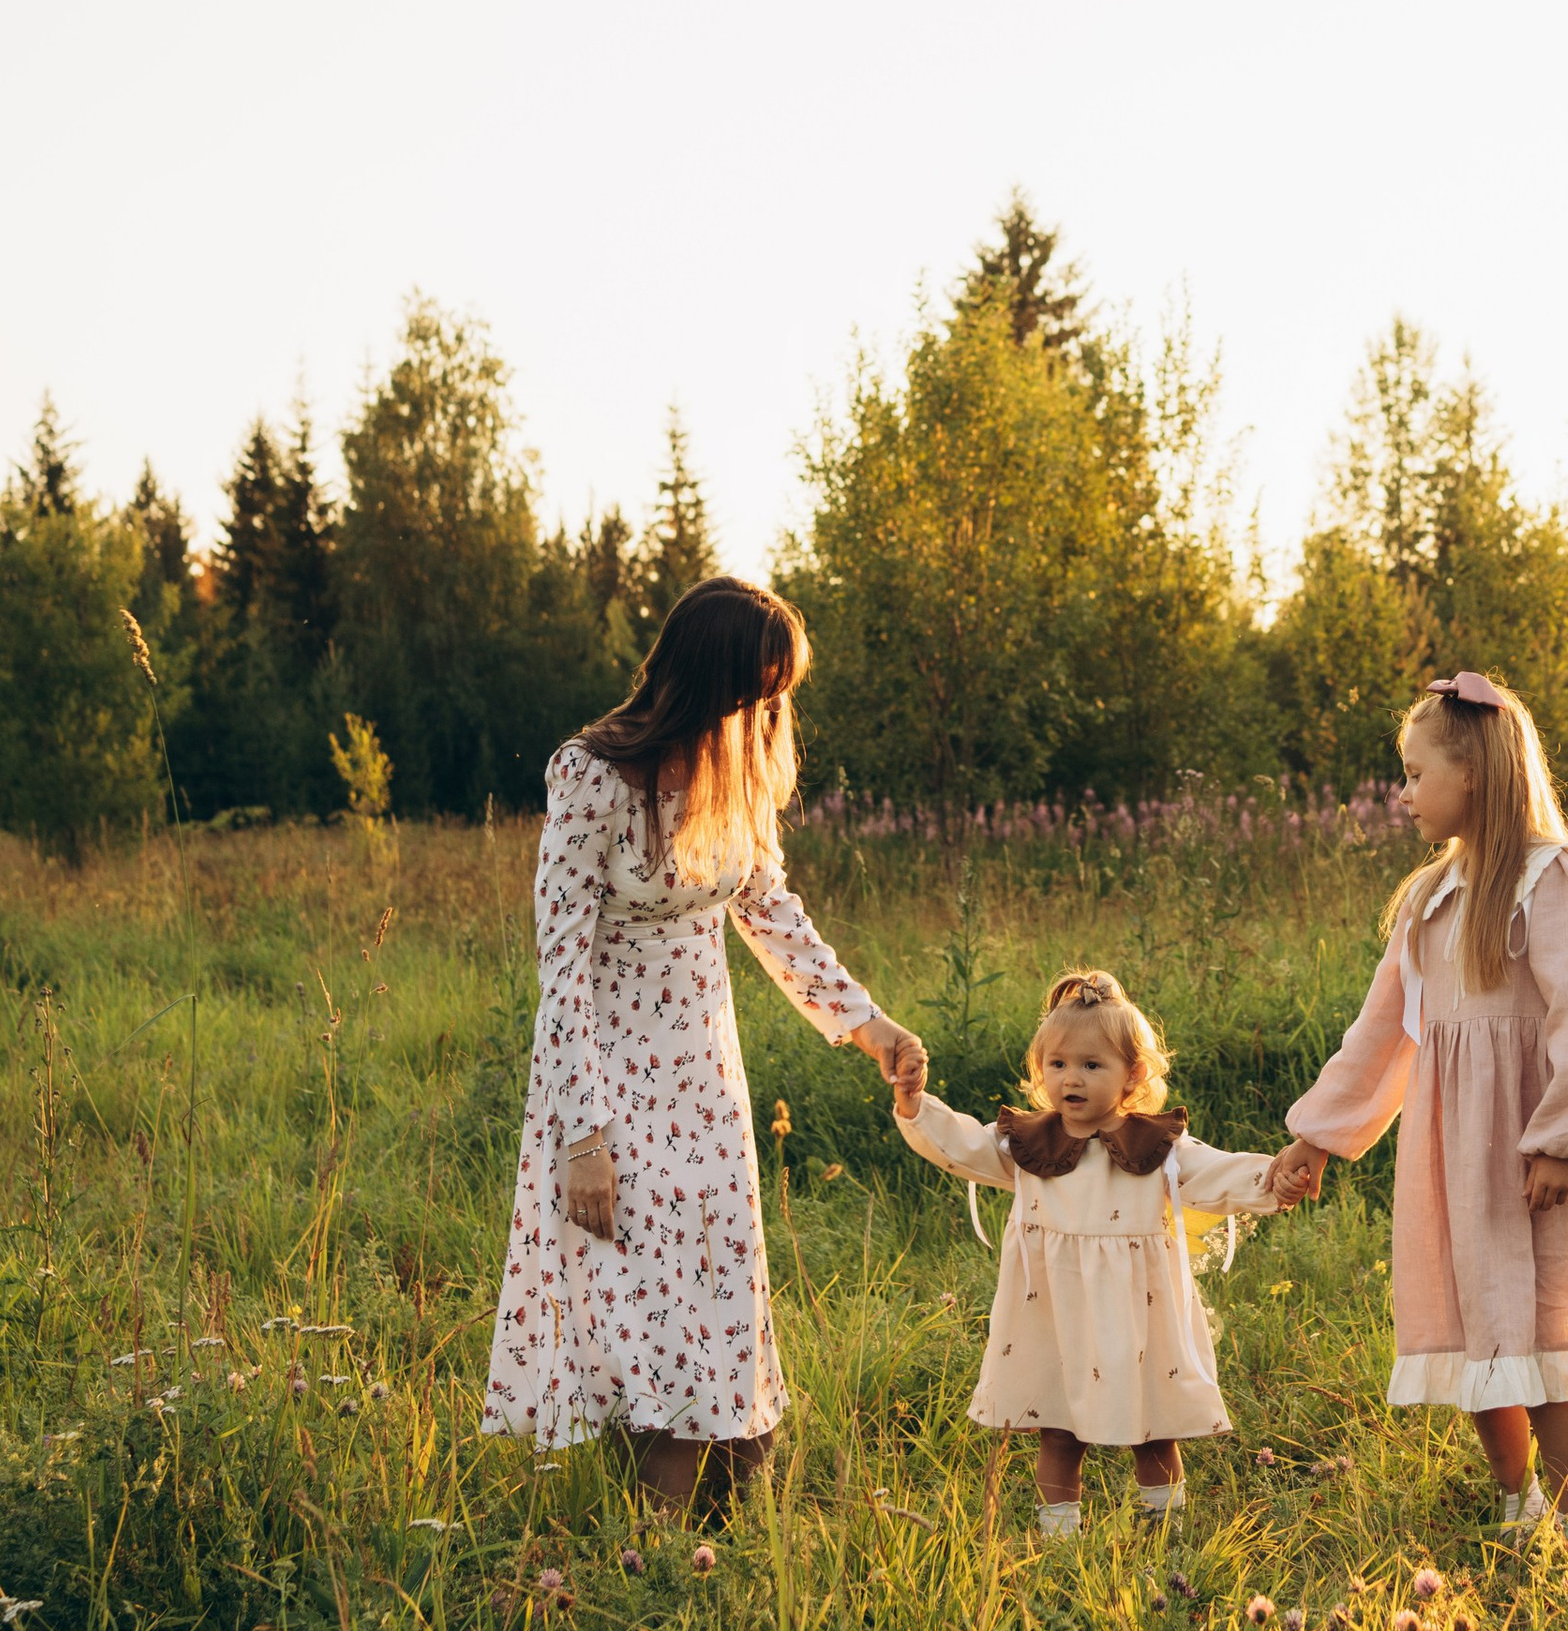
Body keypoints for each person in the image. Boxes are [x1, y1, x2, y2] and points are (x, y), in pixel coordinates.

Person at [481, 577, 924, 1513]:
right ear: (705, 676)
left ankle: (739, 1531)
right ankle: (655, 1546)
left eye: (779, 694)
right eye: (757, 691)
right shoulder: (590, 774)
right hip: (605, 1073)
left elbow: (768, 910)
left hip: (701, 1072)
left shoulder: (737, 768)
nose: (770, 712)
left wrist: (868, 1024)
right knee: (642, 1297)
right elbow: (560, 964)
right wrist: (584, 1137)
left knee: (719, 1283)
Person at [1270, 669, 1568, 1548]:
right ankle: (1516, 1496)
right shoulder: (1428, 899)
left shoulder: (1554, 880)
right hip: (1457, 1150)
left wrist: (1565, 1139)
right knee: (1477, 1320)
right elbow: (1381, 1035)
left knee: (1553, 1325)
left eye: (1414, 773)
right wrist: (1317, 1137)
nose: (1402, 793)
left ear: (1473, 772)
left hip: (1535, 1145)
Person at [891, 967, 1280, 1535]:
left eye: (1092, 1065)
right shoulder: (1029, 1144)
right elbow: (964, 1146)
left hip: (1134, 1312)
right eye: (1058, 1064)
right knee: (1057, 1422)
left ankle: (1164, 1522)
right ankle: (1059, 1532)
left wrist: (1277, 1177)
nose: (1071, 1079)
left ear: (1133, 1074)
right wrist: (915, 1104)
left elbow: (1219, 1171)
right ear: (1041, 1068)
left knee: (1151, 1419)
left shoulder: (1156, 1145)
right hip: (1052, 1310)